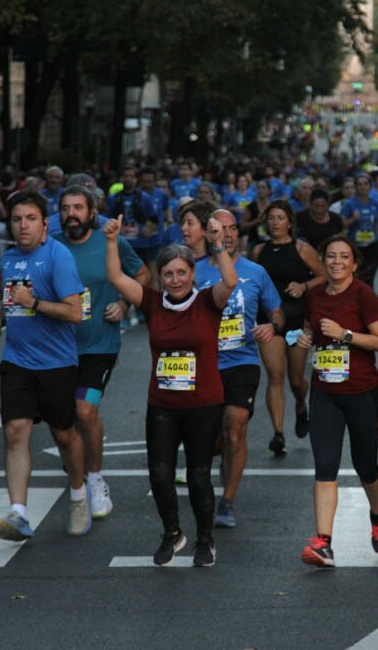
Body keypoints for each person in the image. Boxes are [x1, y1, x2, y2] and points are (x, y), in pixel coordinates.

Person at [103, 213, 237, 567]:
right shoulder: (151, 303)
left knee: (197, 475)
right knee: (160, 473)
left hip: (204, 402)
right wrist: (113, 240)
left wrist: (218, 246)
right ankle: (173, 533)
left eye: (182, 272)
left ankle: (205, 540)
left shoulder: (208, 302)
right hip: (162, 403)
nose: (175, 279)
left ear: (192, 274)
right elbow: (116, 277)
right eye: (168, 274)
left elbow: (231, 281)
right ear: (160, 279)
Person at [0, 190, 91, 541]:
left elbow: (74, 312)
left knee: (64, 434)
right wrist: (1, 318)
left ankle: (78, 495)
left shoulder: (58, 256)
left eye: (30, 219)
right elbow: (13, 301)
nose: (23, 226)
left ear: (45, 225)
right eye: (16, 220)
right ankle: (18, 513)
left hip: (56, 363)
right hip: (17, 361)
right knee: (15, 431)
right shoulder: (8, 259)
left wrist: (34, 303)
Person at [296, 235, 378, 568]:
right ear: (323, 260)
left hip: (363, 393)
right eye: (331, 256)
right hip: (325, 392)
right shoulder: (316, 295)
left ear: (354, 263)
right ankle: (323, 541)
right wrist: (306, 337)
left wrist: (345, 335)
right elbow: (311, 328)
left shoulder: (364, 295)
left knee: (366, 465)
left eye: (344, 257)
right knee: (325, 466)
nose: (337, 262)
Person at [54, 185, 149, 519]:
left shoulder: (111, 242)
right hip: (58, 347)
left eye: (78, 208)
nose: (72, 215)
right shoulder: (51, 245)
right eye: (66, 208)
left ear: (92, 212)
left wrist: (124, 302)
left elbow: (142, 273)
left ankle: (95, 480)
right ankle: (77, 475)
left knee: (85, 411)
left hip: (100, 346)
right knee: (62, 420)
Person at [194, 209, 284, 529]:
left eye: (233, 229)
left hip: (242, 360)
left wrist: (271, 327)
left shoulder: (256, 272)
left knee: (235, 428)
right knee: (214, 439)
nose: (229, 234)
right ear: (209, 234)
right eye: (221, 229)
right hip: (205, 365)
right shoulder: (193, 272)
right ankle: (224, 457)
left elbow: (276, 311)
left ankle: (227, 501)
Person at [253, 200, 327, 454]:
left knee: (295, 380)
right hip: (269, 322)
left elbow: (324, 276)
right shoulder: (258, 251)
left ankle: (300, 403)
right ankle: (278, 433)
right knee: (275, 376)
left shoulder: (302, 249)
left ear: (289, 223)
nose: (275, 223)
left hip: (296, 322)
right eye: (271, 218)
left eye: (280, 218)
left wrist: (304, 287)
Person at [340, 174, 378, 287]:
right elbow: (341, 225)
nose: (363, 187)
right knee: (357, 278)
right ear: (356, 187)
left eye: (366, 184)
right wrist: (353, 219)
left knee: (369, 279)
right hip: (355, 247)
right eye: (359, 184)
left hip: (373, 246)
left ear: (370, 187)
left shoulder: (376, 203)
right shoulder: (349, 204)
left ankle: (367, 301)